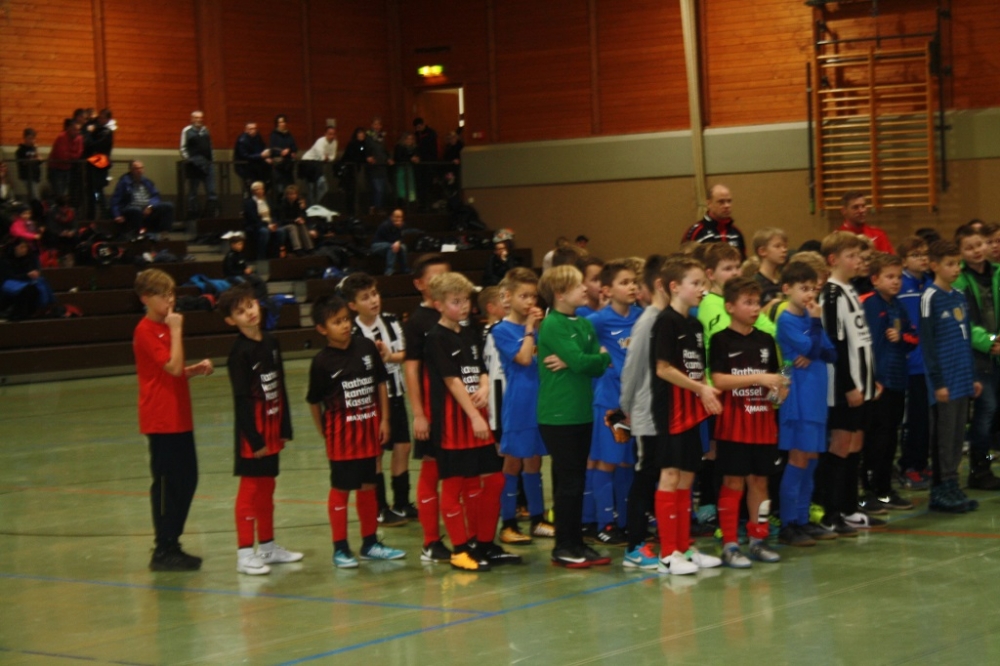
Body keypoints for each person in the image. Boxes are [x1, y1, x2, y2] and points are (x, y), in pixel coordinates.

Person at [424, 272, 520, 570]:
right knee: (454, 486)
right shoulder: (436, 338)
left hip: (477, 421)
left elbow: (480, 369)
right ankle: (460, 549)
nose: (463, 306)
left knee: (494, 480)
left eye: (465, 299)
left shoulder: (469, 332)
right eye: (456, 301)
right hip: (454, 426)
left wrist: (485, 386)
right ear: (439, 305)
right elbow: (452, 381)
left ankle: (485, 544)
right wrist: (475, 416)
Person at [307, 294, 406, 568]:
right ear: (322, 329)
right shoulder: (322, 362)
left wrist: (384, 420)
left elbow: (381, 383)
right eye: (336, 322)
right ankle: (340, 548)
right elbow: (314, 401)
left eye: (345, 320)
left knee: (368, 486)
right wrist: (324, 431)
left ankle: (370, 543)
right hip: (342, 439)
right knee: (341, 489)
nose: (344, 325)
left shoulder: (365, 347)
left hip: (369, 433)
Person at [218, 285, 303, 575]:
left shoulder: (271, 342)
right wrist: (254, 440)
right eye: (240, 311)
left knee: (268, 487)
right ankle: (244, 554)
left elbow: (280, 385)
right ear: (231, 320)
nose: (249, 313)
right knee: (250, 490)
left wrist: (285, 426)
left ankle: (267, 547)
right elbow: (241, 401)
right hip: (252, 435)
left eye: (250, 305)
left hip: (272, 427)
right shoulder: (238, 354)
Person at [132, 269, 214, 571]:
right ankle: (163, 548)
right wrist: (177, 331)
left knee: (188, 479)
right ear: (145, 298)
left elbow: (174, 371)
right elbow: (172, 367)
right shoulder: (146, 330)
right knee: (167, 484)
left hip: (179, 416)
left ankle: (172, 542)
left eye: (172, 294)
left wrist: (194, 370)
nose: (170, 300)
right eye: (163, 295)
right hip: (161, 418)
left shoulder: (165, 327)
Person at [536, 264, 613, 568]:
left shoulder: (582, 324)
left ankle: (575, 542)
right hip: (559, 415)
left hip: (581, 412)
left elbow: (596, 363)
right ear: (560, 294)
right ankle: (563, 546)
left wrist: (583, 360)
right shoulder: (552, 324)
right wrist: (586, 359)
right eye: (578, 285)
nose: (585, 289)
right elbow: (587, 361)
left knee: (576, 481)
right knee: (569, 483)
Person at [650, 257, 723, 574]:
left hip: (694, 412)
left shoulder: (695, 325)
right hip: (671, 411)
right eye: (695, 283)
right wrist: (700, 388)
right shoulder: (665, 322)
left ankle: (683, 547)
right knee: (670, 475)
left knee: (688, 476)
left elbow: (697, 368)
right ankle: (668, 554)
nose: (702, 289)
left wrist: (706, 392)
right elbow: (663, 369)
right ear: (674, 287)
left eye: (703, 284)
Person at [708, 277, 785, 567]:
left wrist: (779, 391)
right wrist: (759, 378)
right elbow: (719, 380)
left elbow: (775, 380)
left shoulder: (765, 340)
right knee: (733, 481)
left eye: (757, 303)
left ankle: (758, 539)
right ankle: (730, 544)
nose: (755, 308)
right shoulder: (720, 339)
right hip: (733, 424)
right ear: (730, 307)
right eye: (748, 303)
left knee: (760, 481)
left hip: (763, 424)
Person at [817, 231, 883, 536]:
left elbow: (862, 342)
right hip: (845, 386)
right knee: (840, 445)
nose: (858, 261)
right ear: (833, 260)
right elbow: (835, 344)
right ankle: (830, 511)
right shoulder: (831, 294)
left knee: (856, 444)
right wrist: (848, 386)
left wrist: (871, 380)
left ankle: (849, 507)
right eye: (851, 256)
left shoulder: (851, 290)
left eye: (859, 255)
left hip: (862, 382)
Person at [341, 272, 416, 527]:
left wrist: (389, 356)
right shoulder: (351, 332)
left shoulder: (391, 321)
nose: (373, 300)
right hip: (371, 401)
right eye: (365, 297)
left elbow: (405, 353)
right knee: (376, 453)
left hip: (396, 393)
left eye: (374, 294)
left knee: (403, 446)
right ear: (353, 305)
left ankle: (402, 502)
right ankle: (380, 507)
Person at [491, 268, 555, 545]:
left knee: (534, 460)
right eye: (523, 296)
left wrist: (540, 328)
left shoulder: (537, 327)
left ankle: (538, 519)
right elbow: (525, 359)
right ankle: (508, 523)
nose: (530, 302)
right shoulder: (501, 330)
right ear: (508, 297)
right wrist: (530, 329)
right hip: (518, 404)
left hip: (541, 402)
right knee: (513, 461)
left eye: (533, 296)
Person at [775, 261, 837, 546]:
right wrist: (815, 329)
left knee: (811, 459)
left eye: (813, 288)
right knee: (798, 458)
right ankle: (788, 523)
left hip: (816, 397)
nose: (809, 294)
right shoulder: (787, 320)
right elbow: (812, 347)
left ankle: (803, 519)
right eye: (803, 288)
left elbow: (831, 353)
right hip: (798, 397)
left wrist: (813, 349)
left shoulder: (812, 320)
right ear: (787, 289)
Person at [582, 260, 642, 546]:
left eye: (633, 282)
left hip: (637, 403)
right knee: (607, 461)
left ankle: (625, 521)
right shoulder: (598, 320)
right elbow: (577, 348)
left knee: (628, 462)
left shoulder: (642, 316)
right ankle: (602, 523)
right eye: (624, 282)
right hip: (610, 403)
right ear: (606, 290)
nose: (631, 287)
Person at [921, 240, 982, 513]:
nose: (956, 268)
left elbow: (965, 338)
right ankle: (940, 489)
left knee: (958, 435)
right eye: (949, 264)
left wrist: (973, 376)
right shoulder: (930, 297)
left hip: (962, 377)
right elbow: (928, 344)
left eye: (957, 263)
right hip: (944, 381)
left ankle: (953, 483)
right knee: (943, 437)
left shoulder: (958, 296)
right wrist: (938, 382)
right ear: (934, 266)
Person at [618, 255, 668, 569]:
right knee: (645, 475)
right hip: (647, 414)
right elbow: (632, 368)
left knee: (665, 475)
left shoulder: (671, 319)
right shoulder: (648, 320)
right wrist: (627, 408)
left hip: (669, 414)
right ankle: (634, 546)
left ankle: (670, 541)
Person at [403, 254, 452, 564]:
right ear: (420, 284)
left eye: (446, 276)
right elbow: (411, 368)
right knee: (432, 471)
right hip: (434, 410)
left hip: (458, 410)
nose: (442, 283)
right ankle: (430, 541)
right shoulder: (418, 322)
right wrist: (419, 413)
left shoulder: (455, 314)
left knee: (459, 474)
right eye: (435, 278)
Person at [860, 253, 917, 512]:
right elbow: (864, 345)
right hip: (877, 384)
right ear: (875, 279)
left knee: (890, 436)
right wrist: (871, 378)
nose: (895, 282)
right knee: (875, 438)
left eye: (898, 277)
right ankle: (869, 488)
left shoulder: (898, 306)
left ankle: (884, 489)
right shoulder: (869, 304)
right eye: (889, 277)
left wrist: (901, 336)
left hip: (897, 380)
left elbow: (914, 338)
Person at [952, 224, 1000, 490]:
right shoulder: (959, 280)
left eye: (980, 244)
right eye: (969, 248)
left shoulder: (997, 273)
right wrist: (990, 342)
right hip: (976, 357)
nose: (977, 251)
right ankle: (979, 470)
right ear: (960, 252)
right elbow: (963, 322)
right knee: (985, 410)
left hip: (997, 353)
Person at [896, 236, 933, 489]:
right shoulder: (901, 286)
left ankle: (921, 462)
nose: (922, 259)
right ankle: (908, 465)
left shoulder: (929, 284)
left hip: (929, 363)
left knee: (927, 418)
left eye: (925, 254)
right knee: (914, 418)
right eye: (915, 255)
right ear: (903, 261)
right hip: (912, 364)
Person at [110, 161, 175, 237]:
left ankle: (165, 233)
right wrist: (117, 215)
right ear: (131, 170)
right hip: (131, 209)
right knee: (136, 210)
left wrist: (150, 206)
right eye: (136, 168)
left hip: (147, 209)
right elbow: (116, 200)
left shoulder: (147, 182)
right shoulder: (124, 183)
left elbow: (155, 196)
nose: (139, 170)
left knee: (168, 206)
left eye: (141, 168)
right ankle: (137, 235)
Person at [681, 184, 746, 260]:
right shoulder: (695, 232)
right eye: (721, 202)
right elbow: (684, 262)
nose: (727, 206)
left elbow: (743, 260)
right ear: (709, 203)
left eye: (729, 201)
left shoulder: (736, 233)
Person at [0, 236, 53, 320]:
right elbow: (9, 276)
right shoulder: (5, 260)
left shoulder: (30, 258)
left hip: (26, 281)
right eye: (21, 247)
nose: (24, 249)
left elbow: (35, 270)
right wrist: (27, 275)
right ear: (14, 248)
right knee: (26, 290)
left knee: (38, 285)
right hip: (9, 284)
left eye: (25, 247)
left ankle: (36, 311)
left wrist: (34, 274)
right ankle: (17, 314)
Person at [180, 110, 218, 219]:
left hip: (208, 164)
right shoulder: (187, 131)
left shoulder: (206, 130)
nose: (198, 120)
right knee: (193, 191)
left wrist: (212, 160)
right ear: (192, 119)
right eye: (196, 118)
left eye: (200, 118)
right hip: (194, 165)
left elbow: (210, 146)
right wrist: (190, 159)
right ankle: (193, 213)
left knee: (211, 190)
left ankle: (212, 213)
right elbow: (183, 148)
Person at [243, 181, 287, 260]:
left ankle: (275, 255)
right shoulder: (249, 203)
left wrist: (274, 223)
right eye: (258, 189)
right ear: (253, 191)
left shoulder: (268, 201)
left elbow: (274, 214)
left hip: (270, 223)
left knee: (281, 231)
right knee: (264, 232)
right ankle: (261, 256)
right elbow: (254, 218)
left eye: (262, 189)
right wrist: (267, 225)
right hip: (257, 225)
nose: (261, 191)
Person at [82, 108, 114, 219]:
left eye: (102, 118)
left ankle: (103, 214)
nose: (99, 119)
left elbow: (95, 145)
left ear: (107, 119)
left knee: (97, 189)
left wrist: (89, 134)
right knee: (93, 190)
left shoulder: (106, 132)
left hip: (99, 164)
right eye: (99, 117)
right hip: (94, 163)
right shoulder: (99, 129)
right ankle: (94, 214)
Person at [222, 232, 267, 300]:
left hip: (243, 275)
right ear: (232, 245)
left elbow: (244, 266)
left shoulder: (240, 254)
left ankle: (260, 299)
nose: (241, 246)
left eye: (242, 244)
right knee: (245, 284)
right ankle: (248, 300)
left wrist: (248, 269)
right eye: (239, 244)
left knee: (260, 281)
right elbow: (229, 271)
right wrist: (243, 271)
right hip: (232, 276)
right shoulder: (230, 256)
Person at [300, 126, 338, 205]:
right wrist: (326, 158)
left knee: (323, 186)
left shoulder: (334, 142)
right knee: (311, 188)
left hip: (318, 165)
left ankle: (316, 203)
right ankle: (312, 205)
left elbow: (332, 157)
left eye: (333, 134)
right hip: (308, 162)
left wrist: (327, 158)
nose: (332, 136)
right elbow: (322, 157)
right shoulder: (320, 141)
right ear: (325, 134)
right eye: (330, 134)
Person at [752, 228, 788, 310]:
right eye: (777, 246)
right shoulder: (755, 284)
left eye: (785, 246)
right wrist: (772, 305)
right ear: (762, 251)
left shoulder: (783, 282)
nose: (784, 250)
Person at [48, 119, 83, 202]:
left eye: (78, 130)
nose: (77, 132)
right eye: (75, 130)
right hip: (56, 168)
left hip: (67, 168)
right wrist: (72, 156)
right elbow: (62, 156)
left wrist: (69, 155)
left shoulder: (79, 138)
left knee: (64, 193)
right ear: (69, 128)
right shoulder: (62, 137)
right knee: (59, 193)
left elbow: (78, 154)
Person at [234, 122, 272, 197]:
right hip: (246, 167)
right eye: (251, 129)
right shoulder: (242, 140)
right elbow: (245, 156)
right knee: (252, 188)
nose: (253, 130)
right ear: (246, 130)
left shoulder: (258, 137)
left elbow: (263, 148)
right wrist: (261, 156)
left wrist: (266, 156)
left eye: (255, 128)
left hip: (257, 166)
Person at [364, 117, 393, 213]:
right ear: (372, 125)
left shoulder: (382, 138)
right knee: (377, 188)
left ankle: (379, 207)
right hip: (374, 167)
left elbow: (384, 151)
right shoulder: (368, 137)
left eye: (379, 124)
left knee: (383, 189)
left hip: (382, 165)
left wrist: (388, 158)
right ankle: (376, 207)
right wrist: (368, 157)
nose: (377, 126)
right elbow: (364, 149)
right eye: (375, 124)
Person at [277, 185, 314, 255]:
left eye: (294, 194)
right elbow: (282, 220)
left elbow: (303, 215)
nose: (292, 196)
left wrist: (302, 215)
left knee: (302, 225)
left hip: (296, 222)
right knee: (292, 227)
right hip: (285, 224)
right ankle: (297, 248)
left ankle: (309, 248)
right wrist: (294, 221)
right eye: (290, 194)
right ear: (286, 195)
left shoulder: (298, 203)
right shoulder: (282, 204)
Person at [339, 127, 368, 216]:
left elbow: (362, 155)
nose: (361, 135)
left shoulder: (363, 145)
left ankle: (354, 210)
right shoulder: (352, 144)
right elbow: (352, 157)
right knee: (350, 191)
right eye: (359, 133)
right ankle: (350, 211)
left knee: (354, 190)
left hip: (356, 171)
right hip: (349, 171)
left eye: (363, 133)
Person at [370, 208, 409, 276]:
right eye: (396, 217)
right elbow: (391, 239)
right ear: (392, 217)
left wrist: (399, 241)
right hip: (377, 245)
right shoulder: (386, 225)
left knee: (403, 247)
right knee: (393, 247)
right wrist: (398, 241)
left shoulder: (402, 225)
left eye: (400, 217)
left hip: (390, 245)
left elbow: (403, 238)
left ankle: (404, 269)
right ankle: (389, 271)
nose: (398, 219)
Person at [269, 115, 298, 195]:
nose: (282, 124)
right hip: (279, 165)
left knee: (290, 186)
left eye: (283, 122)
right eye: (280, 122)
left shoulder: (289, 134)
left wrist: (290, 150)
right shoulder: (274, 135)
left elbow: (294, 147)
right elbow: (272, 149)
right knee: (279, 188)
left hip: (288, 165)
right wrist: (280, 153)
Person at [413, 117, 438, 210]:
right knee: (421, 185)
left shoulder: (430, 134)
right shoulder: (418, 135)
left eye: (419, 126)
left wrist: (421, 157)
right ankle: (422, 204)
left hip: (428, 163)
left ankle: (428, 204)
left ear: (423, 125)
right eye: (417, 127)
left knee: (428, 184)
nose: (418, 129)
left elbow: (430, 150)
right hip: (421, 165)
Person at [15, 128, 41, 203]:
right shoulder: (21, 150)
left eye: (33, 138)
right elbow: (22, 162)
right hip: (27, 176)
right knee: (35, 197)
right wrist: (31, 160)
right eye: (29, 138)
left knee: (33, 196)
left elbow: (39, 159)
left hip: (35, 175)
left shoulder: (33, 148)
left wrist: (36, 150)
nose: (31, 140)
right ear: (25, 138)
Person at [393, 132, 418, 208]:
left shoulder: (414, 148)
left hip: (410, 169)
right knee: (401, 185)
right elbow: (398, 158)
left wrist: (416, 159)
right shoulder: (399, 147)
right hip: (401, 169)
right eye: (407, 139)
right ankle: (402, 201)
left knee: (410, 185)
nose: (409, 140)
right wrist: (410, 159)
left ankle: (411, 201)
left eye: (411, 139)